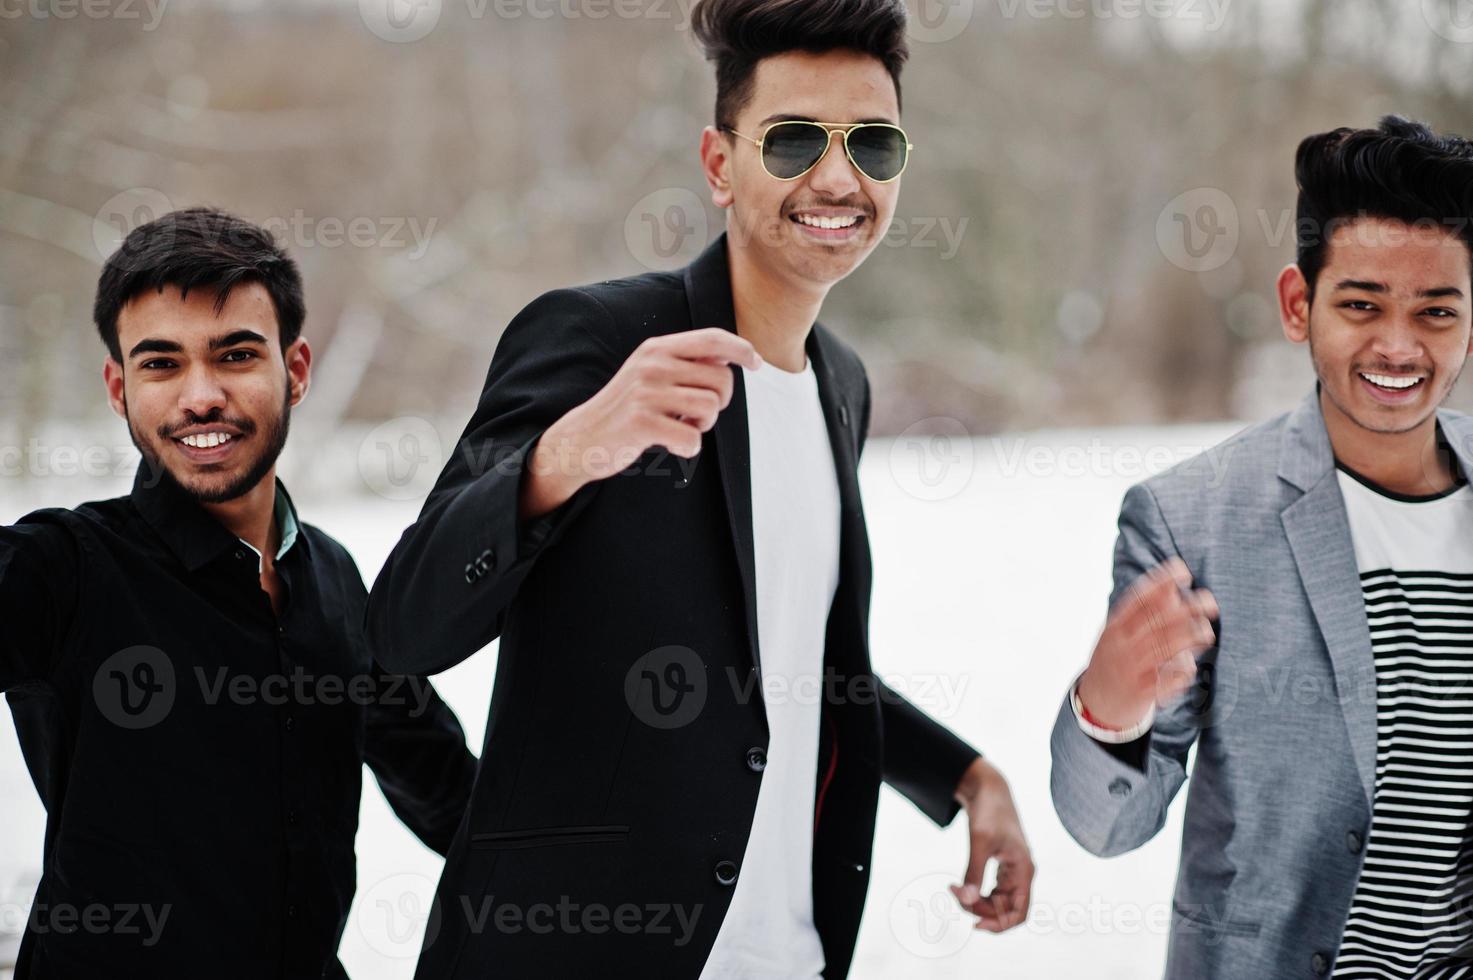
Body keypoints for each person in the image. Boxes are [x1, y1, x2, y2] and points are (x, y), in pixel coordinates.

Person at [364, 0, 1033, 976]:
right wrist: (569, 450)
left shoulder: (841, 383)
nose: (839, 177)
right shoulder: (594, 342)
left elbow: (792, 657)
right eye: (795, 138)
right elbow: (398, 630)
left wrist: (968, 776)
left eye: (875, 144)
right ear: (721, 165)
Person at [0, 207, 476, 978]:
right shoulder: (63, 566)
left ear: (294, 370)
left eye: (234, 355)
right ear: (119, 388)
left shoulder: (335, 579)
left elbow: (452, 794)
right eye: (161, 364)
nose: (200, 397)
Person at [1050, 116, 1473, 978]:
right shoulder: (1189, 517)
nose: (1397, 345)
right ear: (1296, 304)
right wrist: (1107, 711)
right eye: (1360, 305)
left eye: (1434, 311)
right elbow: (1105, 825)